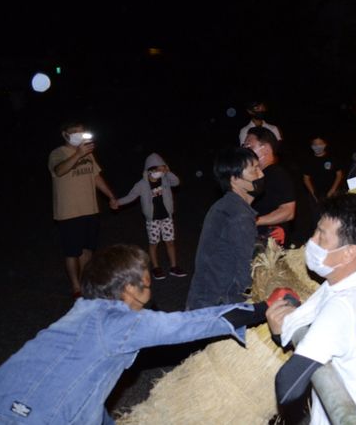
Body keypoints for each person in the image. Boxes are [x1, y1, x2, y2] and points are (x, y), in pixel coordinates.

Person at [0, 244, 266, 425]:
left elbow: (83, 391)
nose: (150, 290)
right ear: (129, 289)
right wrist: (259, 310)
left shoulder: (82, 315)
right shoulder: (116, 322)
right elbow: (186, 325)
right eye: (146, 283)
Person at [266, 193, 356, 425]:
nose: (312, 241)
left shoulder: (343, 305)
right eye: (315, 231)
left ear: (350, 252)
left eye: (322, 236)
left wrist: (277, 330)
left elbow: (289, 385)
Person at [48, 120, 119, 298]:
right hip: (69, 212)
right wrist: (78, 154)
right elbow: (59, 170)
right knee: (72, 251)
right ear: (65, 134)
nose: (79, 135)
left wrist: (111, 196)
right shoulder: (58, 153)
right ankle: (75, 287)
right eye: (75, 132)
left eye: (82, 132)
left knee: (88, 249)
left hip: (90, 209)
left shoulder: (88, 154)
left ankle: (83, 281)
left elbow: (96, 177)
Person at [186, 147, 264, 309]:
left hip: (205, 300)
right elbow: (245, 272)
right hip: (218, 306)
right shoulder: (238, 214)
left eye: (260, 168)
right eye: (254, 170)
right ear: (234, 179)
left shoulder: (227, 206)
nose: (261, 175)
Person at [115, 152, 187, 279]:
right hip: (152, 219)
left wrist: (168, 171)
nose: (159, 172)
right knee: (154, 243)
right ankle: (156, 268)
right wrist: (118, 202)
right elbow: (131, 196)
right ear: (149, 170)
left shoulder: (165, 179)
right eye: (157, 169)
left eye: (161, 168)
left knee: (170, 242)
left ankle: (174, 267)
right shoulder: (142, 185)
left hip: (166, 217)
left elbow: (176, 182)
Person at [244, 126, 297, 247]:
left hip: (268, 246)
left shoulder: (277, 175)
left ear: (266, 149)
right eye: (244, 146)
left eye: (249, 145)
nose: (245, 149)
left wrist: (255, 221)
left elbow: (288, 211)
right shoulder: (257, 176)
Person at [303, 135, 344, 201]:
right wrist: (314, 194)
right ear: (311, 146)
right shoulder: (308, 161)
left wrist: (333, 190)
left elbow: (339, 174)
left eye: (320, 144)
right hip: (319, 194)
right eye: (315, 144)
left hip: (335, 191)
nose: (317, 146)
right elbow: (306, 179)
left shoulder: (332, 158)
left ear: (325, 144)